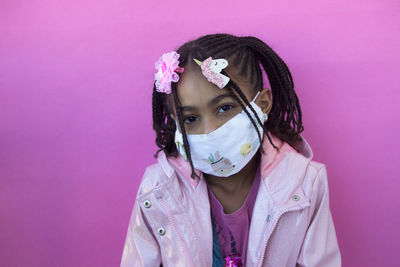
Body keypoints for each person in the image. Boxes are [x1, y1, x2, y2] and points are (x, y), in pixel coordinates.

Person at [120, 33, 341, 267]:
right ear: (176, 122)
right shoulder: (157, 190)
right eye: (191, 118)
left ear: (262, 103)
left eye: (225, 107)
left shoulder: (305, 181)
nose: (210, 130)